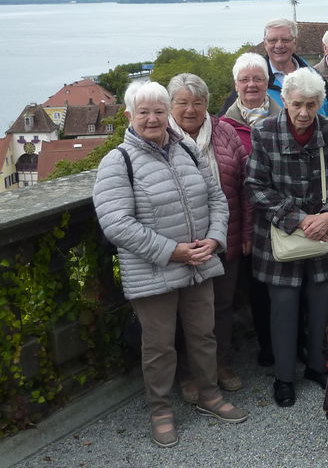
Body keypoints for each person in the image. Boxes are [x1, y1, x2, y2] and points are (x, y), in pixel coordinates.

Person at [94, 82, 246, 448]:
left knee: (203, 334)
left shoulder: (186, 151)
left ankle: (208, 395)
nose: (152, 118)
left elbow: (216, 199)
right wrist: (172, 251)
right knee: (160, 345)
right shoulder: (119, 161)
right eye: (143, 112)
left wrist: (214, 239)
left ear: (167, 115)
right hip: (154, 269)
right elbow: (116, 224)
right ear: (129, 116)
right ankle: (160, 410)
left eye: (158, 111)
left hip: (198, 261)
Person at [246, 70, 328, 407]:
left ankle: (318, 366)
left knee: (323, 308)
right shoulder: (264, 132)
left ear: (320, 104)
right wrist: (300, 219)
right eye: (297, 105)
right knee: (283, 309)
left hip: (325, 235)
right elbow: (255, 186)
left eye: (311, 105)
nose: (304, 113)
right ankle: (283, 376)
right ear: (285, 102)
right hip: (281, 238)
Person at [166, 73, 250, 397]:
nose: (190, 109)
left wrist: (244, 232)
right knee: (184, 309)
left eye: (197, 102)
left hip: (224, 235)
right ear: (170, 106)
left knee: (223, 305)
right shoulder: (160, 137)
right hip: (181, 241)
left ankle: (221, 363)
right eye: (182, 103)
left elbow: (245, 183)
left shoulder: (225, 130)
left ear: (206, 104)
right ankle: (189, 373)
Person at [220, 52, 279, 366]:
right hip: (245, 221)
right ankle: (266, 347)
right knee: (256, 287)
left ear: (267, 83)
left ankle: (290, 344)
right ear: (236, 85)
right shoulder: (223, 125)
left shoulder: (285, 114)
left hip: (281, 216)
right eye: (245, 80)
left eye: (258, 79)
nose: (252, 85)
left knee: (285, 284)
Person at [219, 18, 328, 116]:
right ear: (265, 44)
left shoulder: (315, 77)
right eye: (273, 40)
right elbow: (227, 123)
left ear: (295, 42)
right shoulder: (250, 82)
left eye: (285, 40)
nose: (279, 45)